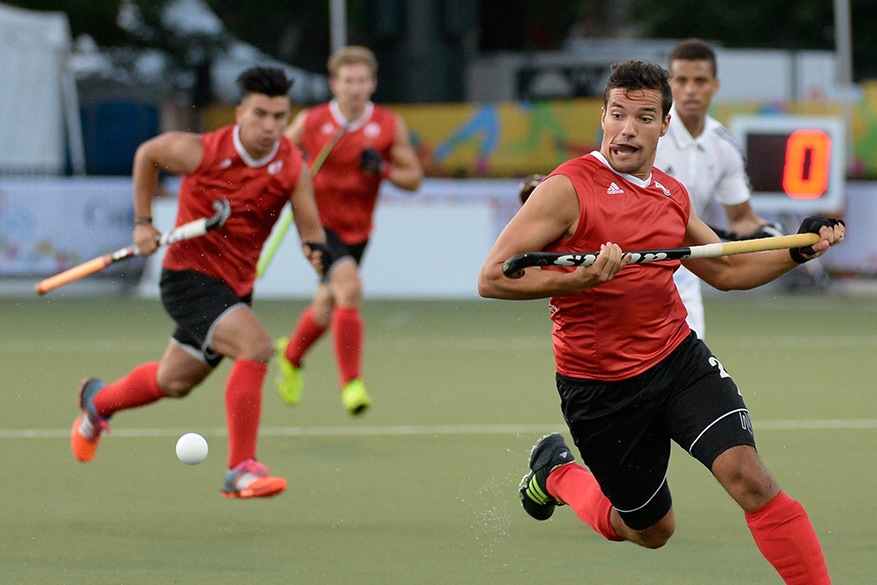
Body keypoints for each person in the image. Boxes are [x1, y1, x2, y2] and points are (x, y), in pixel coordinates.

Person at [477, 60, 842, 584]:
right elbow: (492, 278)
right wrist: (576, 281)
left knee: (751, 479)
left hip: (677, 361)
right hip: (600, 389)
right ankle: (556, 472)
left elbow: (725, 270)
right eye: (618, 114)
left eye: (644, 117)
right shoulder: (566, 189)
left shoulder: (671, 194)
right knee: (651, 529)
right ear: (602, 117)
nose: (628, 128)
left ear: (664, 125)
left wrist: (800, 253)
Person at [70, 66, 331, 499]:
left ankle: (96, 403)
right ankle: (241, 469)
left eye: (279, 117)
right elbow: (147, 155)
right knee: (257, 346)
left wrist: (316, 251)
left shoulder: (290, 165)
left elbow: (311, 228)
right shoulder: (202, 151)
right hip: (189, 278)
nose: (269, 127)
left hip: (235, 286)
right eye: (260, 114)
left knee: (173, 382)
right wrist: (143, 223)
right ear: (240, 112)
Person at [275, 45, 423, 415]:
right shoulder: (311, 121)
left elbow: (414, 179)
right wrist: (293, 170)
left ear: (372, 83)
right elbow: (276, 157)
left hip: (358, 231)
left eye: (361, 80)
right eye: (347, 81)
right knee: (350, 288)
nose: (354, 88)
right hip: (317, 226)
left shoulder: (388, 125)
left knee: (328, 303)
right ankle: (352, 383)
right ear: (334, 84)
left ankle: (291, 357)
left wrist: (383, 171)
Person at [654, 38, 781, 338]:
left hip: (687, 269)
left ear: (715, 86)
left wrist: (783, 240)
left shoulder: (723, 146)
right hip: (639, 264)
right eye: (682, 80)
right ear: (669, 84)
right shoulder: (649, 134)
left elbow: (741, 219)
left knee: (689, 365)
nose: (690, 90)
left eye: (700, 81)